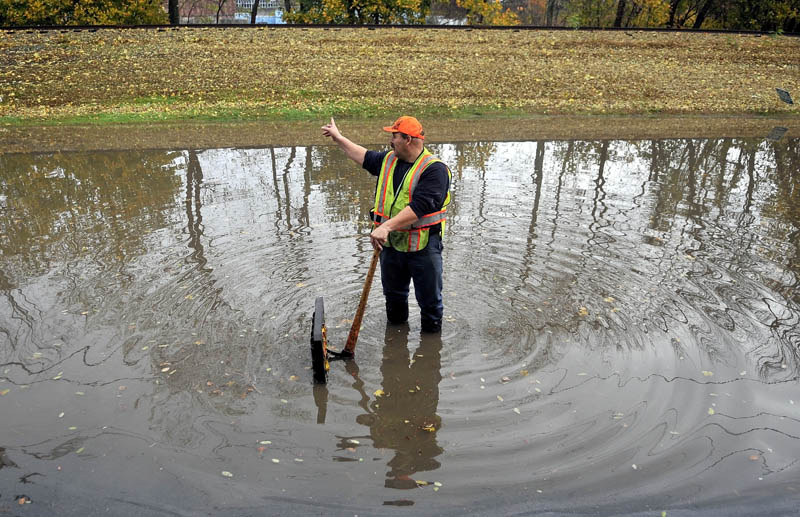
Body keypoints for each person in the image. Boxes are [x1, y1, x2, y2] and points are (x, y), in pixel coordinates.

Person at [321, 116, 451, 333]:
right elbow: (362, 156)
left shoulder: (434, 170)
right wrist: (338, 138)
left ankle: (430, 351)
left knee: (430, 303)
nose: (391, 141)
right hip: (390, 246)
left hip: (423, 247)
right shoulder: (389, 160)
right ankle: (396, 339)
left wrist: (386, 226)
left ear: (408, 139)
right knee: (394, 298)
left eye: (395, 136)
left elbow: (422, 205)